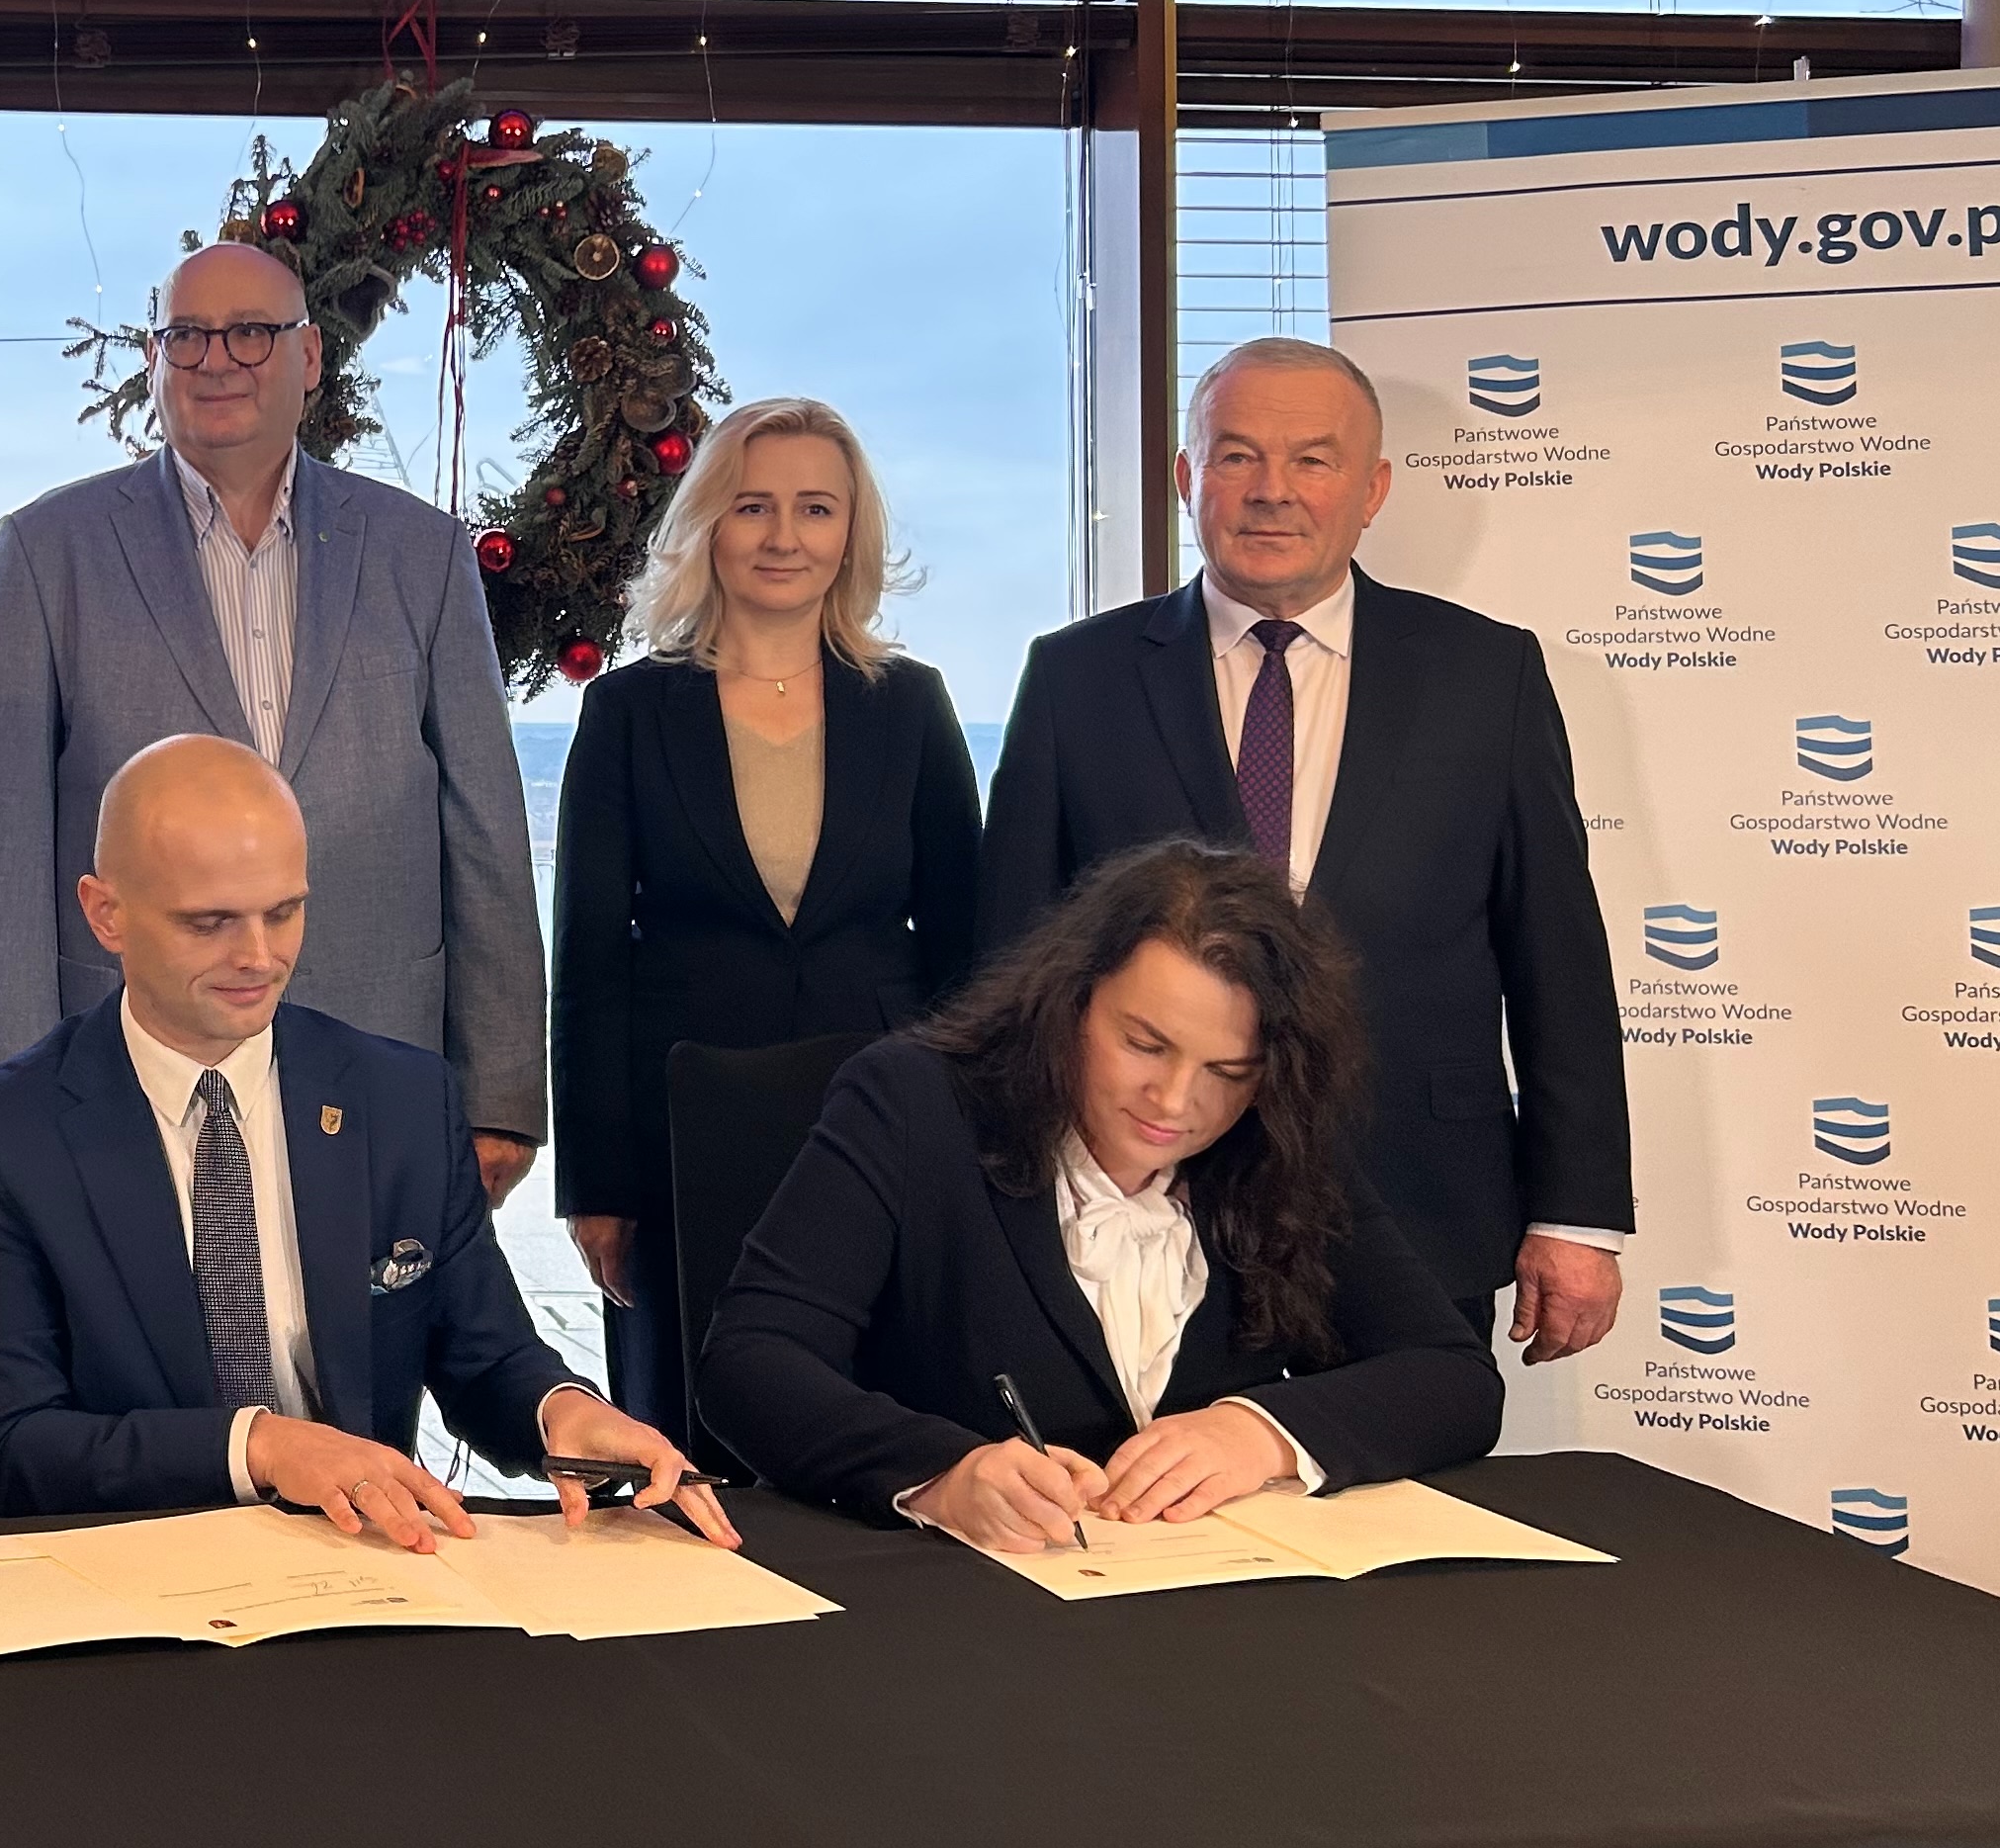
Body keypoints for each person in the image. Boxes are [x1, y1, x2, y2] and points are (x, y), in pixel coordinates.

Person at [980, 335, 1631, 1360]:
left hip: (1419, 1202)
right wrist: (1008, 1191)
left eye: (1312, 460)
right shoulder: (1077, 678)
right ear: (1188, 478)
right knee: (1168, 1469)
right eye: (1237, 456)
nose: (1271, 490)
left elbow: (1558, 957)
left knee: (1411, 1464)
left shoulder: (1485, 674)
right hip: (1141, 1213)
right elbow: (1012, 960)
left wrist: (1577, 1214)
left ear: (1371, 490)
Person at [0, 734, 730, 1548]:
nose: (259, 957)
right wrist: (261, 1447)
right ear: (106, 914)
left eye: (284, 912)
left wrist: (563, 1413)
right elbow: (6, 1454)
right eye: (209, 922)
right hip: (132, 1573)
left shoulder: (401, 1098)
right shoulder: (0, 1137)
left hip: (365, 1566)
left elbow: (485, 1358)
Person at [0, 241, 546, 1201]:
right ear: (155, 360)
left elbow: (485, 834)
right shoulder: (47, 552)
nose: (216, 359)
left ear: (309, 358)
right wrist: (10, 1110)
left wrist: (502, 1097)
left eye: (251, 333)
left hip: (379, 1063)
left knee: (361, 1310)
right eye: (187, 335)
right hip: (122, 1076)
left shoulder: (423, 553)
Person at [699, 839, 1501, 1546]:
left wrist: (1258, 1434)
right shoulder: (913, 1102)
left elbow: (1454, 1377)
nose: (1175, 1102)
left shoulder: (1273, 1141)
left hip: (1208, 1607)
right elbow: (750, 1365)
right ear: (1071, 1001)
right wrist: (941, 1471)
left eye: (1227, 1072)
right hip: (956, 1605)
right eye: (1145, 1045)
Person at [552, 398, 982, 1437]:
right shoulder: (628, 712)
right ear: (709, 524)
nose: (784, 536)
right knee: (690, 1433)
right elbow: (589, 967)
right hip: (683, 1135)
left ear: (850, 533)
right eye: (753, 506)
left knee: (879, 1429)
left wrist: (977, 1149)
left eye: (815, 508)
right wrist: (595, 1186)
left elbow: (969, 953)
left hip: (879, 1125)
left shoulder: (912, 704)